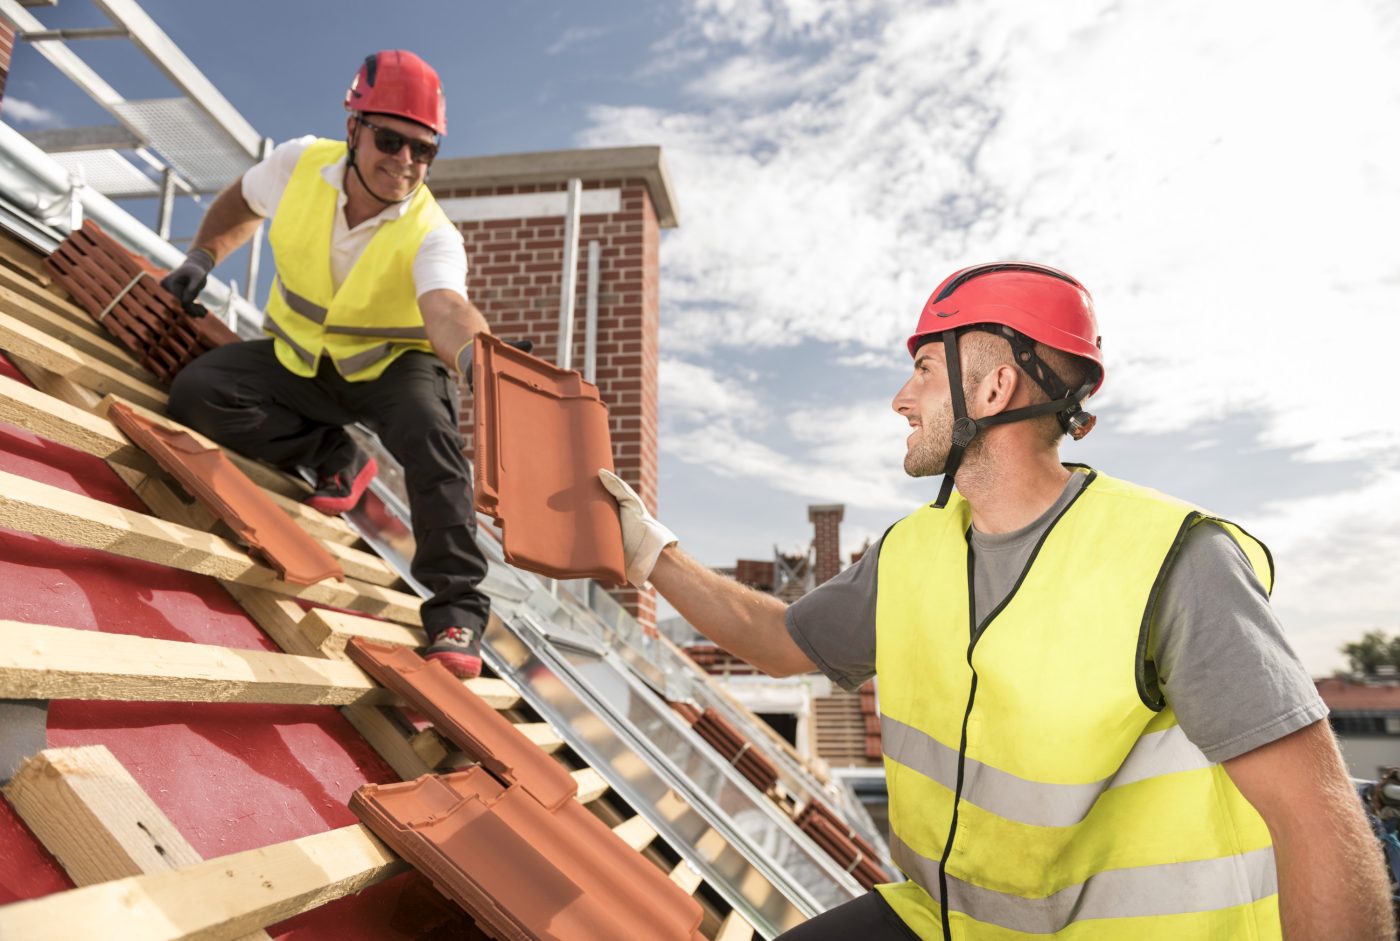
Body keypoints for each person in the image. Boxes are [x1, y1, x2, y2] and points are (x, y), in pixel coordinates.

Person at [600, 263, 1394, 939]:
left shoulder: (1175, 560)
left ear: (994, 385)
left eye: (920, 369)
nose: (898, 399)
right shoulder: (914, 552)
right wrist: (649, 548)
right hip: (951, 922)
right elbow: (778, 640)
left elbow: (1315, 813)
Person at [163, 50, 495, 679]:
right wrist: (202, 256)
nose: (404, 162)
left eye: (423, 151)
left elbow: (448, 309)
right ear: (353, 129)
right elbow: (241, 202)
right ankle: (334, 455)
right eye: (390, 140)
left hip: (391, 371)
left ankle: (458, 611)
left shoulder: (433, 233)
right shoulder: (297, 164)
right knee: (198, 393)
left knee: (432, 441)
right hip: (302, 365)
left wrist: (478, 358)